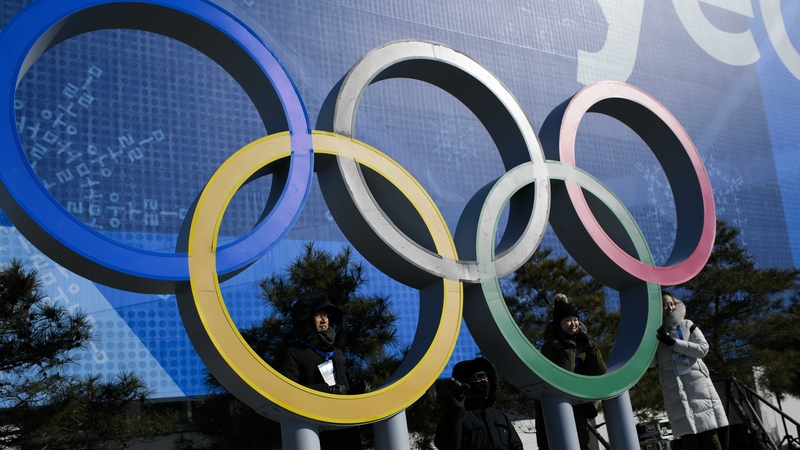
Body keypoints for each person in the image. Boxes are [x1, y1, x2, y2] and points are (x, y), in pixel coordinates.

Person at [275, 291, 362, 449]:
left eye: (326, 315)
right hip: (315, 430)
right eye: (318, 315)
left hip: (347, 426)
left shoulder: (336, 352)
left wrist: (356, 388)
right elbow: (287, 392)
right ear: (306, 320)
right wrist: (327, 390)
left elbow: (344, 384)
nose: (324, 320)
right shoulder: (293, 352)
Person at [650, 290, 728, 450]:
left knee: (710, 437)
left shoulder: (687, 325)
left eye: (672, 303)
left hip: (699, 389)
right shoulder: (655, 333)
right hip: (674, 393)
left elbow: (703, 349)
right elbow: (652, 364)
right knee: (689, 441)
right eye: (665, 305)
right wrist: (648, 342)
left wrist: (673, 343)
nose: (670, 308)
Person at [535, 294, 607, 450]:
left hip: (579, 403)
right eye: (568, 320)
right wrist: (568, 348)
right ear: (558, 323)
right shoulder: (550, 346)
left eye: (575, 320)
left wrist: (591, 348)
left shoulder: (582, 343)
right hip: (558, 405)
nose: (573, 324)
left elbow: (599, 370)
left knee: (581, 441)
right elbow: (563, 375)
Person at [434, 356, 524, 450]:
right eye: (478, 378)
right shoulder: (456, 416)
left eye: (486, 379)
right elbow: (447, 446)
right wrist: (456, 411)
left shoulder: (500, 417)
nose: (484, 382)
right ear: (466, 383)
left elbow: (516, 446)